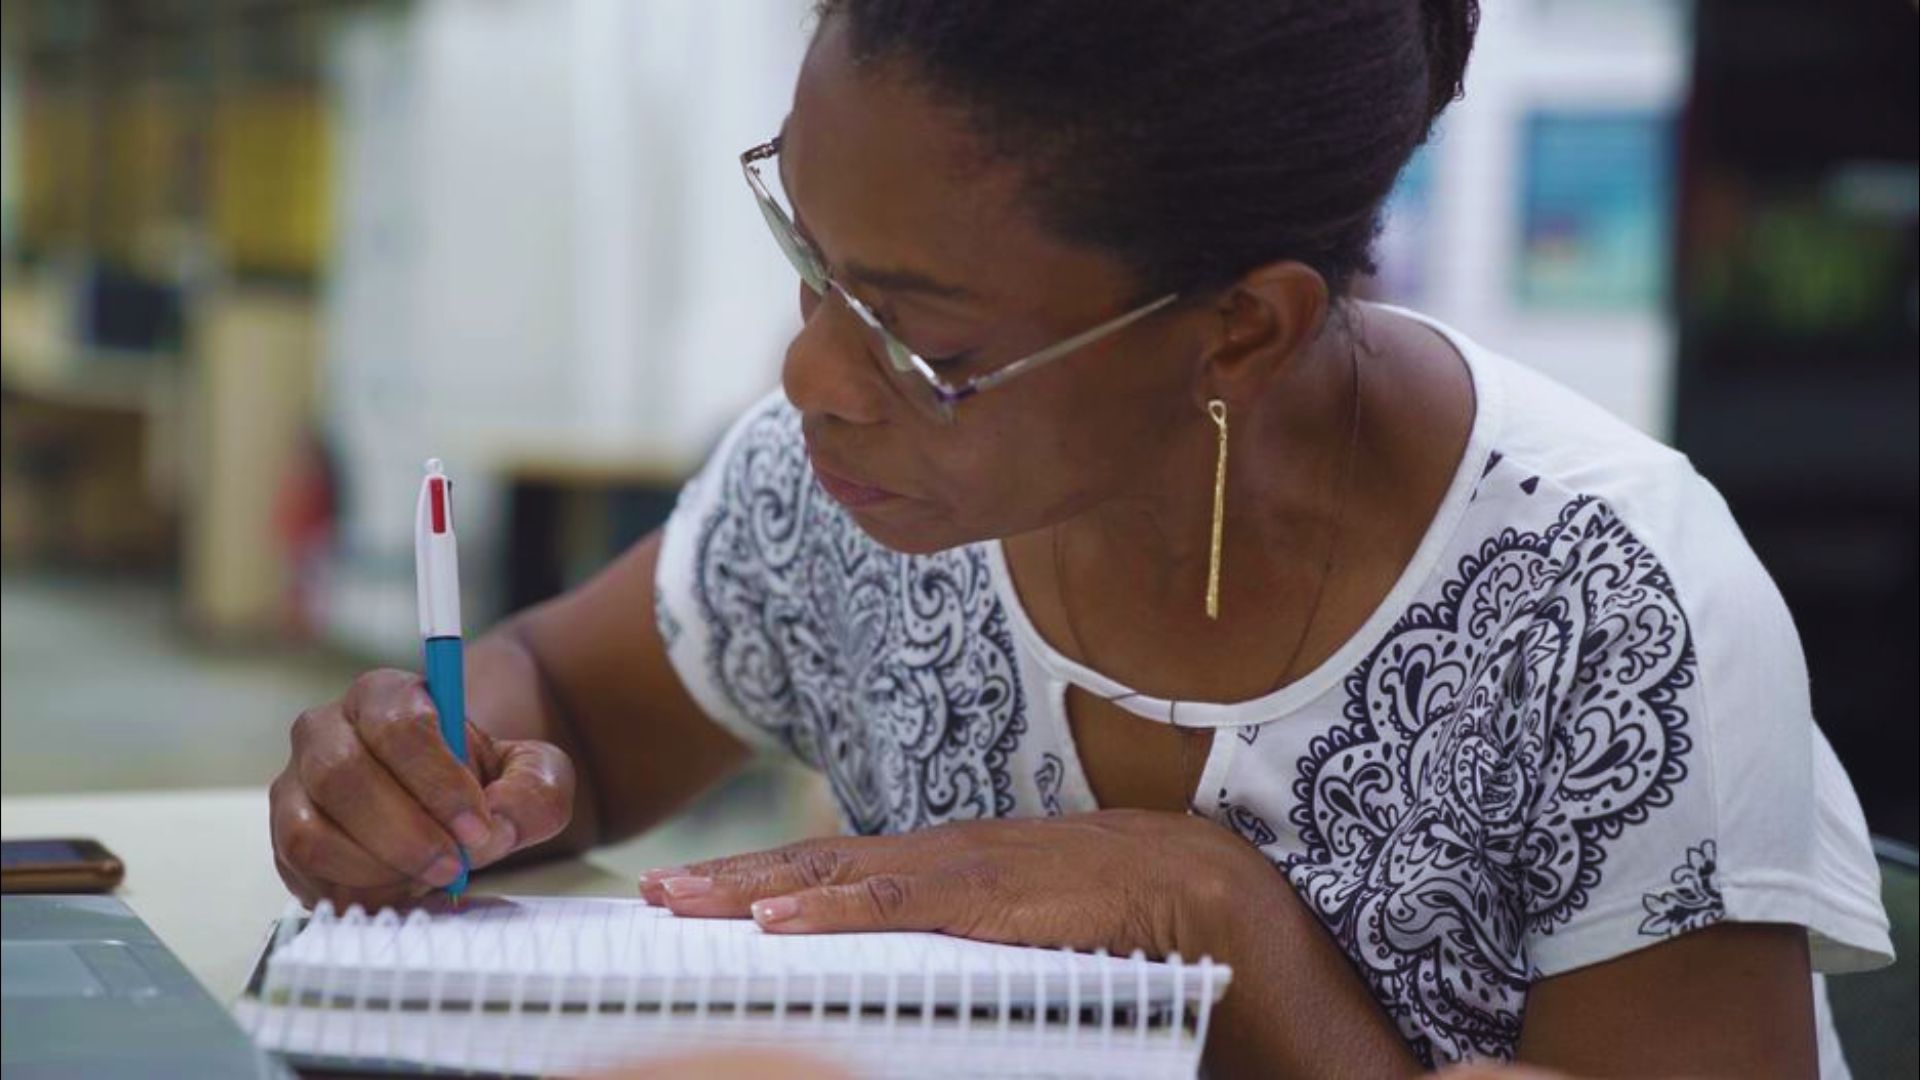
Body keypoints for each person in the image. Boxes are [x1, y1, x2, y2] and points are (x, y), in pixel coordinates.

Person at [267, 2, 1894, 1076]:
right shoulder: (844, 493)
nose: (810, 375)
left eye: (918, 338)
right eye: (808, 257)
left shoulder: (1607, 612)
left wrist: (1216, 921)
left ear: (1241, 333)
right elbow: (570, 697)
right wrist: (426, 775)